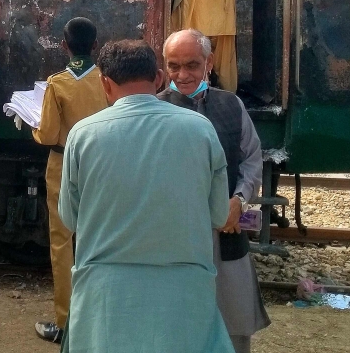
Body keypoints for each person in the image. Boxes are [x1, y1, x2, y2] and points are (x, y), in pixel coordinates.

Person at [60, 39, 234, 353]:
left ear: (105, 83)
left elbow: (70, 218)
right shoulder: (201, 129)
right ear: (158, 77)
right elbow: (220, 215)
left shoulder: (82, 135)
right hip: (184, 295)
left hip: (105, 296)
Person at [157, 29, 270, 353]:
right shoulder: (156, 110)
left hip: (226, 233)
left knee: (233, 322)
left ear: (209, 63)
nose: (182, 75)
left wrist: (239, 200)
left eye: (191, 65)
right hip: (176, 238)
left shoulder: (230, 105)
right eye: (173, 66)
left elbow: (251, 158)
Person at [32, 17, 108, 344]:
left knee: (63, 242)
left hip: (63, 163)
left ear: (64, 46)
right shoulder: (107, 81)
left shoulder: (57, 82)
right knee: (102, 237)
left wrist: (33, 129)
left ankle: (65, 324)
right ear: (96, 45)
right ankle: (101, 319)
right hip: (103, 163)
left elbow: (47, 133)